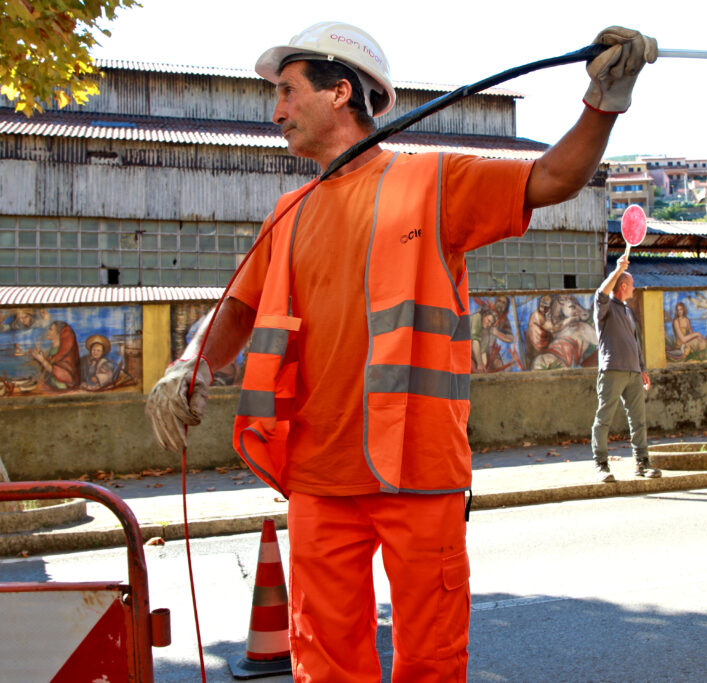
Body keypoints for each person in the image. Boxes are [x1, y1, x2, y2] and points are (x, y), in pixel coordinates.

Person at [144, 21, 656, 682]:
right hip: (320, 477)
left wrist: (603, 103)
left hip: (417, 472)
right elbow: (237, 310)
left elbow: (553, 177)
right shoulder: (288, 212)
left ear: (339, 92)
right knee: (324, 665)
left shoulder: (432, 181)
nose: (275, 111)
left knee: (431, 664)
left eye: (286, 91)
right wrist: (192, 360)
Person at [591, 254, 661, 482]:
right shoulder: (605, 307)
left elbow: (635, 342)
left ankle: (642, 463)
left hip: (633, 373)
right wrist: (617, 270)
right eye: (631, 285)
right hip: (612, 370)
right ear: (623, 285)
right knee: (604, 419)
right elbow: (601, 292)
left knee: (638, 420)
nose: (634, 289)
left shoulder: (628, 312)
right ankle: (601, 465)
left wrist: (642, 369)